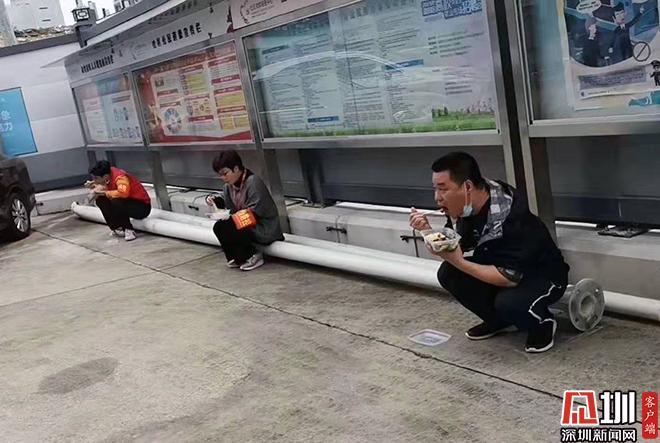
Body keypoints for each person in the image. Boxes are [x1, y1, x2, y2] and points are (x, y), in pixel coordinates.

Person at [410, 152, 570, 353]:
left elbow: (510, 278)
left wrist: (458, 261)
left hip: (541, 275)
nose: (437, 197)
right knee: (448, 273)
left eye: (443, 189)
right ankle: (499, 321)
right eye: (435, 189)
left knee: (509, 302)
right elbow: (456, 245)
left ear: (467, 187)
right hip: (498, 265)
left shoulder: (512, 219)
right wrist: (427, 231)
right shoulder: (465, 206)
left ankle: (542, 322)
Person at [209, 149, 284, 271]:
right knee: (219, 226)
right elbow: (227, 205)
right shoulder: (228, 186)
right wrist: (216, 201)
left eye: (225, 173)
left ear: (236, 168)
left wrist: (233, 217)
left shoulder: (253, 182)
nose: (223, 178)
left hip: (262, 226)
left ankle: (253, 255)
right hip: (246, 222)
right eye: (220, 175)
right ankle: (237, 257)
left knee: (232, 224)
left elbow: (257, 211)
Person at [87, 160, 151, 241]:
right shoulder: (108, 174)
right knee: (101, 200)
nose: (94, 180)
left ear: (105, 176)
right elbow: (106, 187)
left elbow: (123, 193)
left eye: (96, 178)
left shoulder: (120, 177)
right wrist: (94, 186)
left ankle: (128, 229)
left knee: (116, 200)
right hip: (128, 204)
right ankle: (116, 228)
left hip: (142, 207)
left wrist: (103, 193)